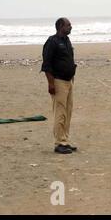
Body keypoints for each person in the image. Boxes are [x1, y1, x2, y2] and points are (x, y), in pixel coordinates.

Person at [41, 18, 77, 154]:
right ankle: (59, 143)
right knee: (60, 113)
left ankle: (65, 140)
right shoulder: (52, 42)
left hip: (68, 81)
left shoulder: (67, 41)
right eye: (68, 25)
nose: (71, 27)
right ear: (61, 26)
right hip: (58, 81)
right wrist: (50, 83)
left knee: (68, 112)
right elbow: (47, 64)